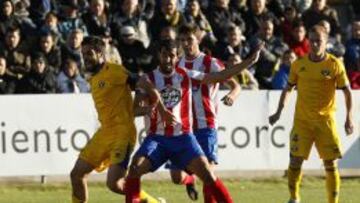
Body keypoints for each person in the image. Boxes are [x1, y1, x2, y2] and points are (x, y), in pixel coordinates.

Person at [125, 39, 263, 203]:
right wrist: (151, 109)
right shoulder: (147, 80)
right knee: (134, 169)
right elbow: (135, 110)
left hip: (183, 137)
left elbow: (220, 76)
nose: (168, 60)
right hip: (157, 138)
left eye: (172, 56)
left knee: (208, 175)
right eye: (164, 55)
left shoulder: (186, 75)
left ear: (177, 57)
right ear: (158, 55)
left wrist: (249, 62)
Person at [70, 36, 164, 203]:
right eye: (83, 54)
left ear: (100, 53)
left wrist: (151, 98)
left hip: (123, 132)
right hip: (105, 132)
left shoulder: (113, 70)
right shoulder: (94, 76)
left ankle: (151, 202)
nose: (86, 58)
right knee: (76, 175)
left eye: (89, 53)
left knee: (115, 184)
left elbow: (140, 81)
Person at [269, 25, 354, 203]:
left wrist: (349, 118)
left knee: (331, 164)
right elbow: (288, 89)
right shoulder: (299, 65)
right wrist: (278, 112)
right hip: (303, 123)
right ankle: (294, 198)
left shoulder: (334, 64)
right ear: (308, 41)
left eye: (319, 41)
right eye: (312, 40)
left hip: (326, 122)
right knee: (295, 162)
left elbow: (347, 92)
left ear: (326, 42)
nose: (315, 44)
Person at [168, 24, 241, 201]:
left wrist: (231, 95)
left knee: (208, 177)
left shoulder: (211, 63)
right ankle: (189, 178)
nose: (186, 44)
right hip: (183, 127)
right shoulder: (177, 64)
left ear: (198, 39)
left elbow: (235, 85)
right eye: (182, 40)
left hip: (206, 125)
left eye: (189, 40)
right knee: (176, 177)